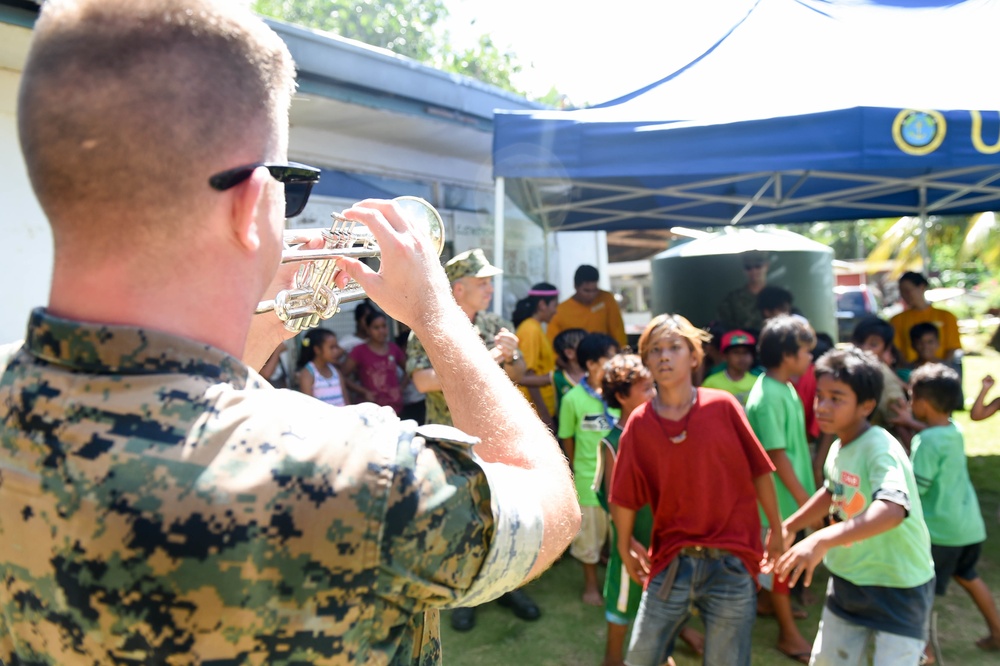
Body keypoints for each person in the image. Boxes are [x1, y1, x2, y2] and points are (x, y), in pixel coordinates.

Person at [0, 2, 581, 663]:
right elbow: (549, 505)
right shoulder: (359, 478)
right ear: (251, 203)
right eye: (289, 185)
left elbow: (193, 398)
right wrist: (439, 314)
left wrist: (271, 313)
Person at [609, 314, 782, 666]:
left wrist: (777, 530)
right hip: (671, 560)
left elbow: (760, 471)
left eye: (674, 347)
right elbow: (623, 496)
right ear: (646, 360)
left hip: (732, 562)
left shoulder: (723, 406)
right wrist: (624, 544)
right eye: (655, 349)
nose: (664, 356)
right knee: (640, 659)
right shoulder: (639, 425)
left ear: (694, 356)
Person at [406, 247, 541, 632]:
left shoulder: (495, 323)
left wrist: (511, 357)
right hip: (452, 443)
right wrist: (494, 354)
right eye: (482, 283)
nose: (489, 290)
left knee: (504, 518)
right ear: (458, 287)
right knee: (461, 520)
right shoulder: (430, 327)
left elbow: (520, 371)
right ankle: (462, 596)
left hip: (493, 437)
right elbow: (423, 381)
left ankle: (507, 587)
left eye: (490, 283)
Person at [774, 348, 935, 666]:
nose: (823, 406)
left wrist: (820, 539)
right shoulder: (838, 446)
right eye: (820, 396)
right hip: (848, 579)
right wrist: (789, 526)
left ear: (866, 406)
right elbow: (833, 491)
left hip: (898, 586)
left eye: (837, 398)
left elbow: (891, 509)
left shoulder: (880, 447)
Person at [596, 354, 703, 666]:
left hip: (666, 539)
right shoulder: (613, 442)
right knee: (623, 602)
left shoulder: (660, 432)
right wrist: (626, 542)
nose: (653, 394)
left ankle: (663, 652)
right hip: (632, 542)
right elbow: (615, 500)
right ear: (621, 396)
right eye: (645, 389)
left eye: (653, 386)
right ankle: (612, 659)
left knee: (667, 596)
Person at [908, 364, 1000, 659]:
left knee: (923, 592)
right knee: (969, 575)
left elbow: (917, 488)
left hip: (942, 533)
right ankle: (998, 631)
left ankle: (924, 651)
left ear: (922, 402)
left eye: (911, 397)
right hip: (969, 527)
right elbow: (936, 439)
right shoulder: (953, 431)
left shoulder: (925, 441)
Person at [744, 315, 817, 664]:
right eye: (806, 351)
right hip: (775, 502)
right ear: (787, 354)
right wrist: (806, 499)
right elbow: (775, 457)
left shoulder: (783, 387)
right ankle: (788, 636)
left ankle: (766, 604)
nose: (810, 359)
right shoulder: (768, 396)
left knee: (776, 565)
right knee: (778, 564)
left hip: (788, 497)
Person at [558, 332, 621, 606]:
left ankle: (616, 581)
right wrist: (574, 473)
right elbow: (567, 437)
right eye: (611, 356)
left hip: (621, 481)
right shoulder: (573, 399)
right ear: (593, 364)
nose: (617, 361)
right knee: (589, 539)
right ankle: (591, 585)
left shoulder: (621, 394)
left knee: (618, 536)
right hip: (588, 483)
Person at [512, 282, 560, 428]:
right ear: (542, 305)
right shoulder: (530, 329)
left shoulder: (536, 327)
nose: (556, 311)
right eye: (554, 305)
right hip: (535, 413)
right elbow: (526, 376)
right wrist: (544, 414)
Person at [341, 308, 406, 414]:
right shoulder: (359, 351)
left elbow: (409, 369)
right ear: (367, 329)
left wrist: (401, 388)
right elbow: (341, 376)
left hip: (395, 408)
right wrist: (363, 391)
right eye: (376, 327)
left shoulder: (393, 348)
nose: (381, 331)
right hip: (370, 410)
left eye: (384, 326)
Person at [547, 265, 627, 348]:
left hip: (605, 357)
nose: (591, 295)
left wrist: (621, 354)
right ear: (575, 286)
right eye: (586, 291)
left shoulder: (606, 299)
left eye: (595, 290)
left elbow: (618, 331)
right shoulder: (560, 311)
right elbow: (552, 345)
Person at [890, 271, 962, 365]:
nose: (904, 296)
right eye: (901, 292)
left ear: (922, 287)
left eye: (907, 291)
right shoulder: (896, 320)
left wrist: (943, 370)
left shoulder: (946, 317)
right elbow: (897, 351)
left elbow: (953, 347)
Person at [700, 329, 758, 408]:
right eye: (736, 352)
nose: (742, 357)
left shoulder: (758, 383)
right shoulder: (711, 383)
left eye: (746, 352)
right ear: (724, 356)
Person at [717, 250, 770, 333]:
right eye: (748, 267)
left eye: (758, 266)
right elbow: (725, 327)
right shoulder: (732, 299)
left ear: (766, 266)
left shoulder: (778, 297)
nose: (753, 271)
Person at [296, 327, 350, 407]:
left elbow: (346, 401)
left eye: (336, 346)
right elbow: (309, 407)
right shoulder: (307, 374)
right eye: (332, 347)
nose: (336, 351)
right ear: (317, 350)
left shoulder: (335, 371)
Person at [552, 327, 587, 422]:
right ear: (569, 353)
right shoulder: (557, 377)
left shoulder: (595, 373)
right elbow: (521, 379)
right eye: (584, 344)